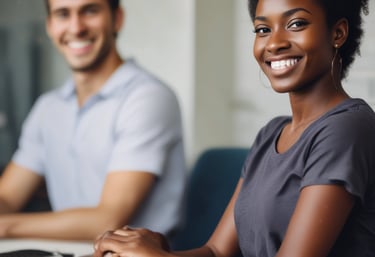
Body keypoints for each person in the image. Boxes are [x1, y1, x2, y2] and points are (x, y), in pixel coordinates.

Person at [93, 0, 375, 256]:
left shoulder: (346, 128)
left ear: (337, 33)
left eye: (296, 24)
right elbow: (217, 251)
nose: (274, 42)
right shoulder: (270, 134)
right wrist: (147, 252)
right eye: (263, 29)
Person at [0, 0, 186, 241]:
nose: (76, 28)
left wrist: (5, 227)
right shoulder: (48, 108)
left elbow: (108, 220)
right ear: (50, 26)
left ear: (117, 19)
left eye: (90, 11)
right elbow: (7, 197)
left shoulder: (148, 98)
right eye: (62, 14)